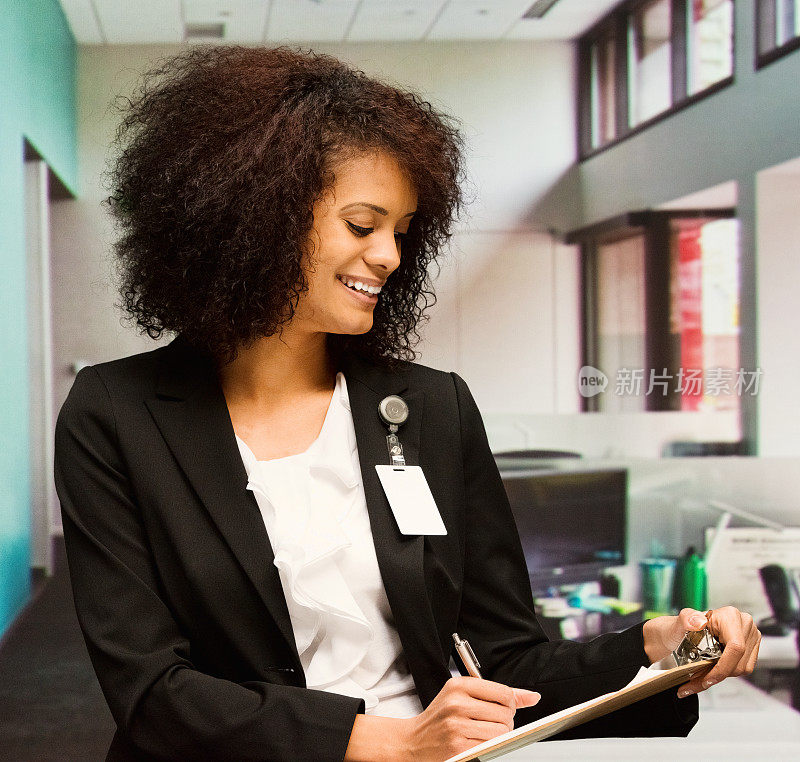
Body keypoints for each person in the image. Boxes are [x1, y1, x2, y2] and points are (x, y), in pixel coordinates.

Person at [54, 46, 760, 762]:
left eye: (401, 231)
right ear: (254, 216)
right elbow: (150, 690)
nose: (391, 256)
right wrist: (385, 741)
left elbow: (505, 662)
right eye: (363, 225)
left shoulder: (431, 407)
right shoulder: (117, 411)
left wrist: (652, 650)